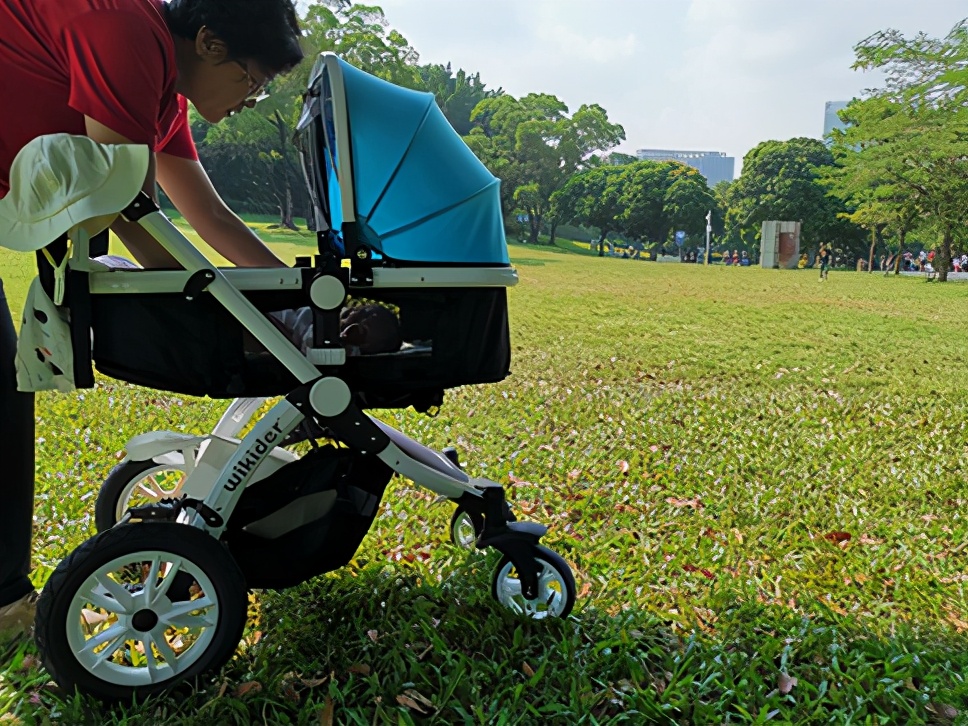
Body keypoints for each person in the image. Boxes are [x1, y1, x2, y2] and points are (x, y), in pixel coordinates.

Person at [0, 0, 304, 641]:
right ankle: (5, 606)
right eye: (254, 80)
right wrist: (246, 316)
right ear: (211, 44)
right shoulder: (128, 32)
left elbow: (211, 219)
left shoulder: (163, 95)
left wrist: (294, 300)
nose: (253, 99)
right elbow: (133, 216)